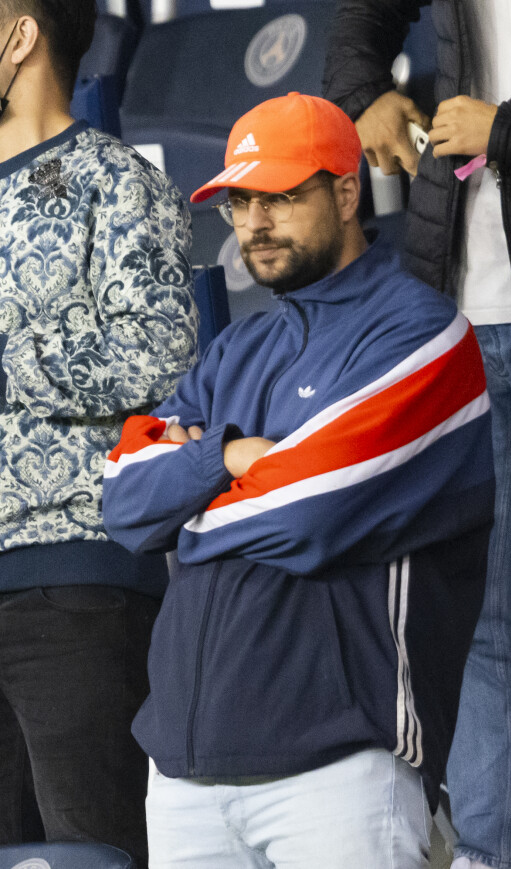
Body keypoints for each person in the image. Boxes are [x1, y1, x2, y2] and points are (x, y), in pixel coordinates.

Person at [101, 91, 494, 869]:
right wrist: (230, 458)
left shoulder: (421, 332)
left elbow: (312, 510)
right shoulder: (231, 352)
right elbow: (122, 500)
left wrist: (192, 498)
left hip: (337, 768)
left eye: (279, 195)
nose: (254, 222)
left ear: (346, 191)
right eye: (240, 201)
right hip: (185, 774)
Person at [323, 2, 511, 868]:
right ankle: (485, 852)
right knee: (481, 622)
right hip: (458, 321)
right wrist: (365, 96)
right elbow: (359, 27)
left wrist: (507, 131)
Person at [0, 1, 198, 865]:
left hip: (72, 578)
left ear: (19, 37)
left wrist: (10, 353)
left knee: (88, 849)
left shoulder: (114, 180)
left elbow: (159, 354)